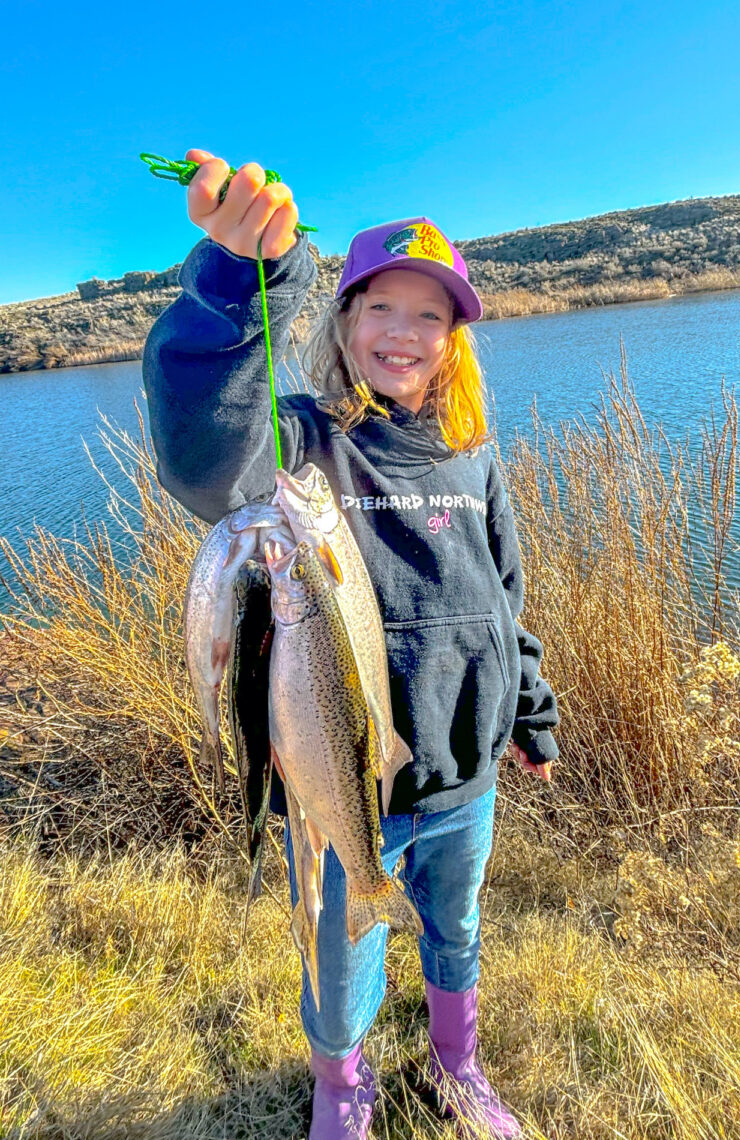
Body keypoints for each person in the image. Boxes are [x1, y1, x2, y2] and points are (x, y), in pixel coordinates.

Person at [144, 150, 558, 1140]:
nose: (403, 332)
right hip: (345, 781)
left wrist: (528, 710)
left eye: (430, 315)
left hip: (464, 775)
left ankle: (458, 1063)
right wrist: (246, 277)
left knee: (456, 927)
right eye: (380, 308)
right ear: (343, 323)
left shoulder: (474, 454)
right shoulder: (307, 442)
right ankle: (342, 1083)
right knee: (340, 958)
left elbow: (503, 599)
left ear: (455, 339)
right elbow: (206, 460)